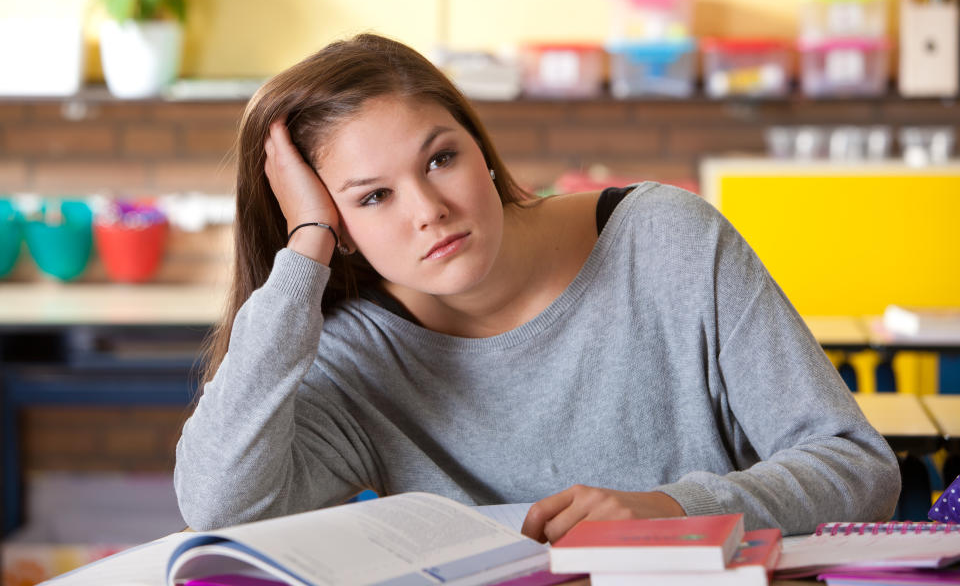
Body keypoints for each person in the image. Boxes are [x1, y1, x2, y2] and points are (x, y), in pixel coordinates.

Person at [174, 33, 900, 541]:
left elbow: (859, 469)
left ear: (480, 151)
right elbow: (222, 509)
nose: (430, 212)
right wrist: (303, 254)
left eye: (440, 159)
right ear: (338, 226)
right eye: (371, 199)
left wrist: (670, 509)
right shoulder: (354, 353)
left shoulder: (664, 241)